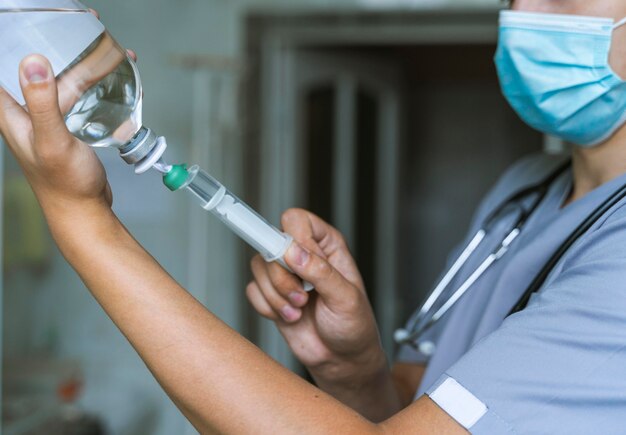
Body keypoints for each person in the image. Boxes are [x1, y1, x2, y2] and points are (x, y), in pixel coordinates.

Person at [2, 0, 626, 432]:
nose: (521, 17)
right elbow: (439, 414)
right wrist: (355, 372)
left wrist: (82, 218)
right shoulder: (525, 191)